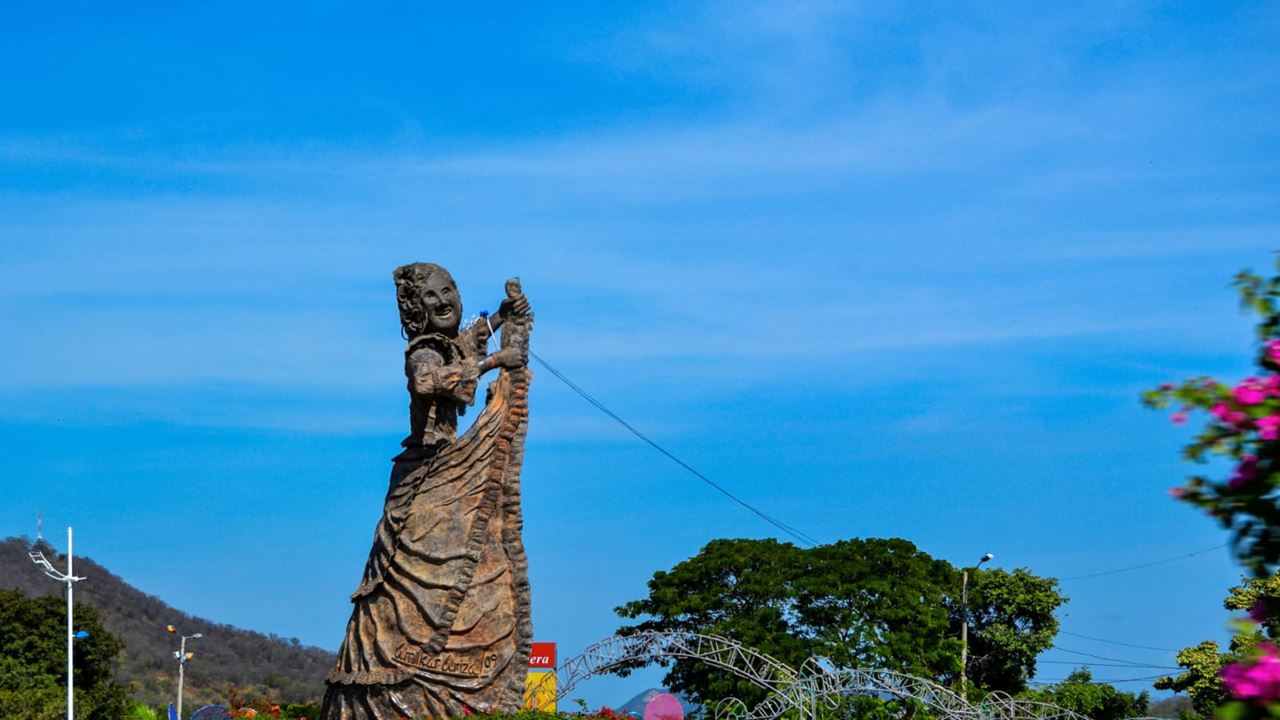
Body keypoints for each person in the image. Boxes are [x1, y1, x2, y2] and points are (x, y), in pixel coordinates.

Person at [321, 263, 534, 720]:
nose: (444, 302)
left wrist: (499, 319)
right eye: (432, 298)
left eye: (450, 291)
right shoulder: (422, 351)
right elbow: (429, 380)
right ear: (416, 311)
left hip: (444, 464)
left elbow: (466, 344)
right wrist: (496, 361)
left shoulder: (447, 344)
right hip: (422, 472)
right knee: (405, 576)